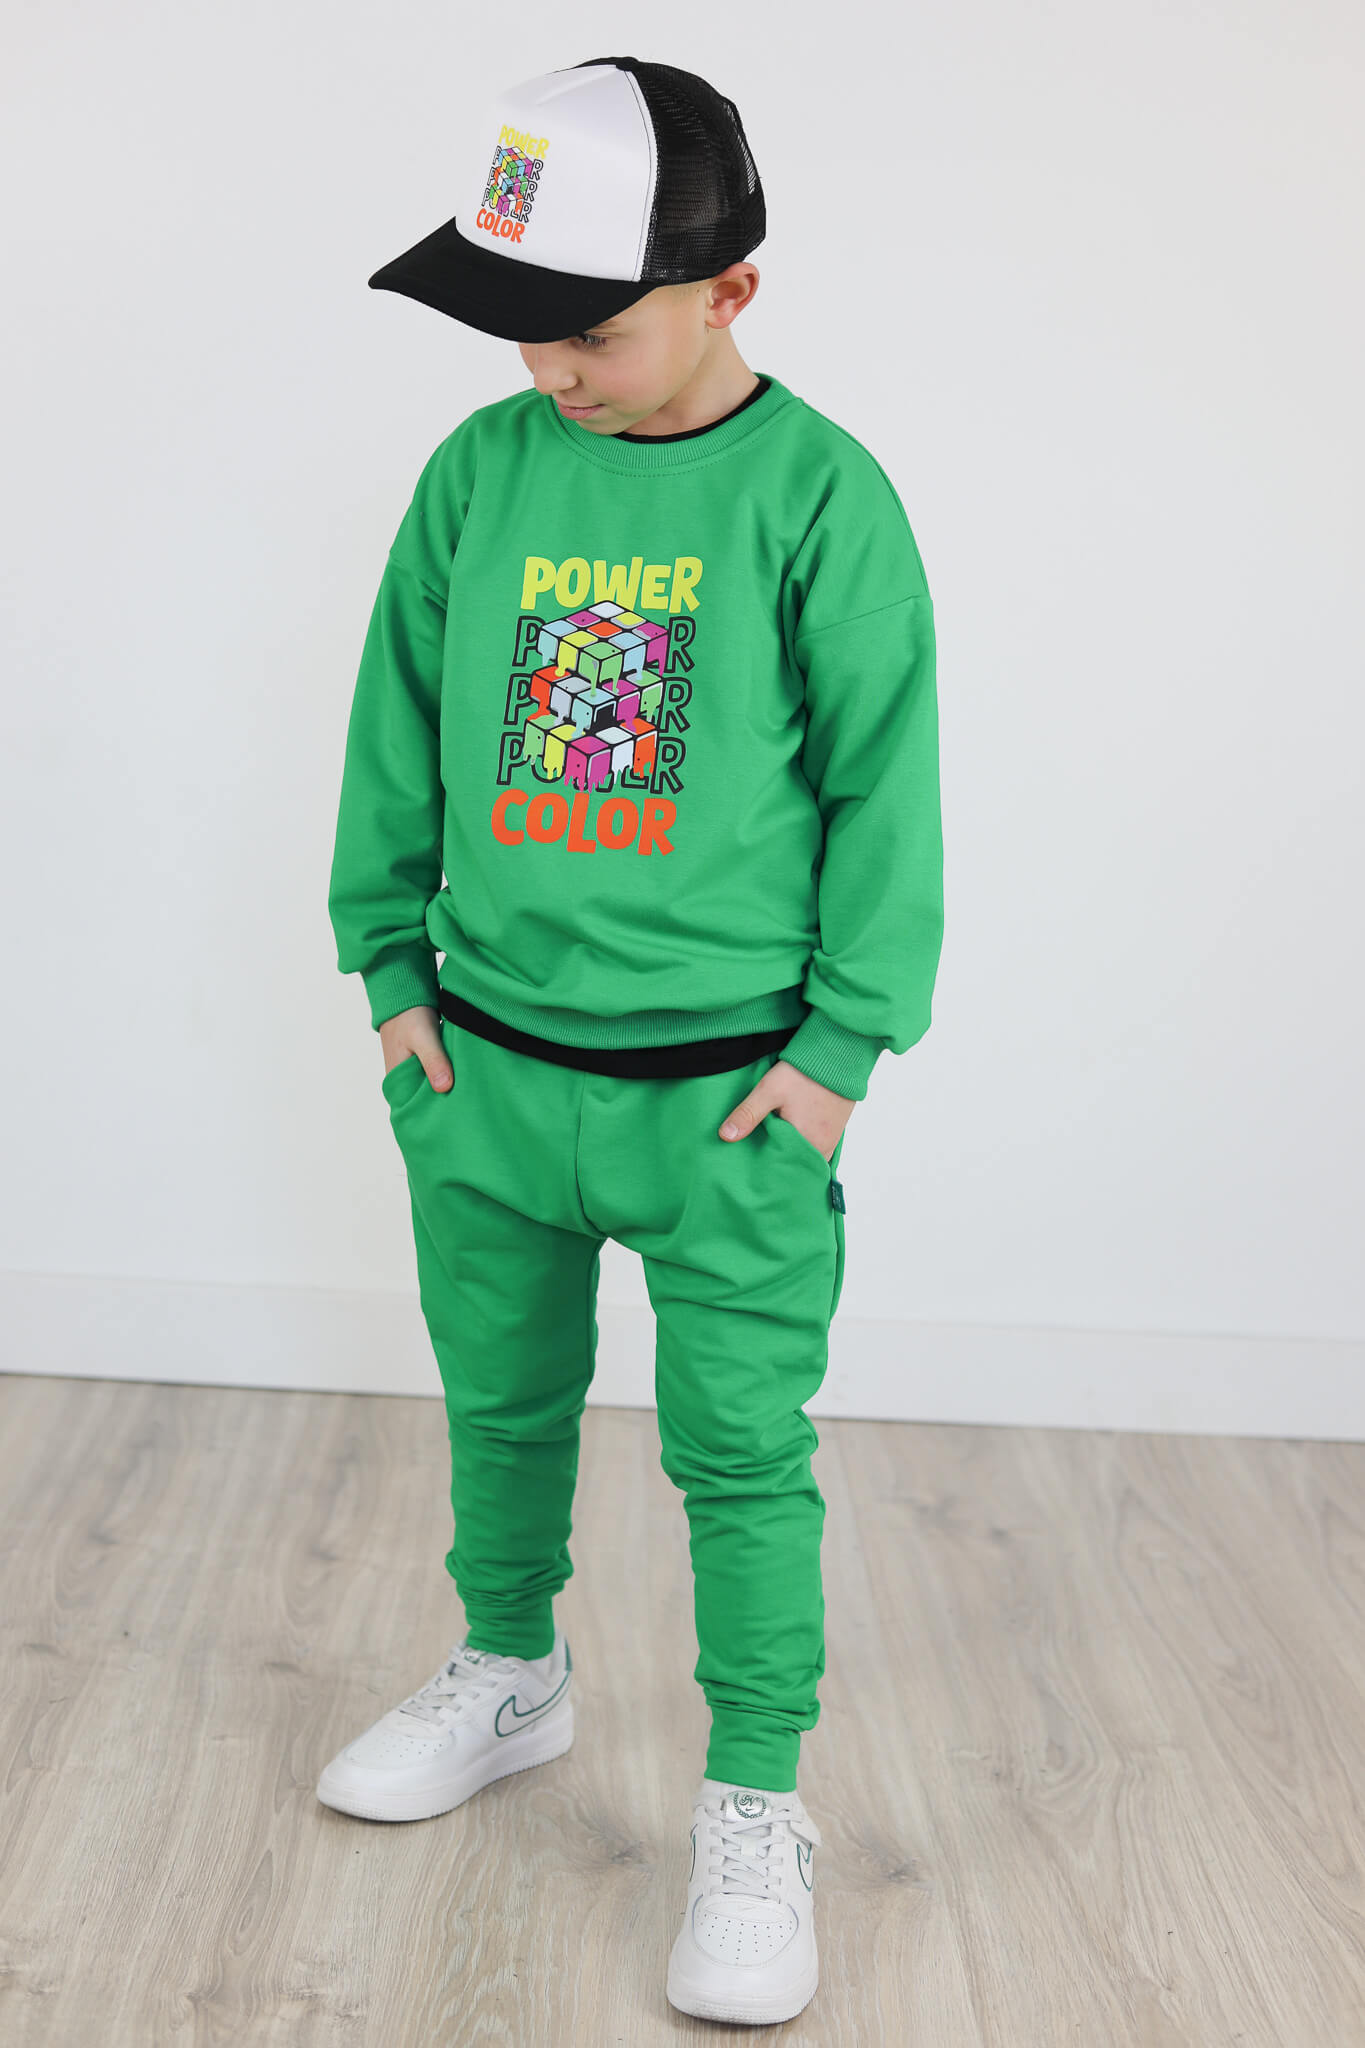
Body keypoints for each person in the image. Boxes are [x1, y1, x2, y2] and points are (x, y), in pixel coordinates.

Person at [318, 54, 943, 2028]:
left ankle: (751, 1798)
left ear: (729, 289)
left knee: (739, 1452)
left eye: (587, 330)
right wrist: (388, 974)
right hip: (484, 1069)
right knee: (498, 1402)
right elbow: (394, 720)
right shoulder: (478, 476)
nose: (551, 371)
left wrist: (838, 1053)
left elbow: (887, 789)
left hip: (731, 1100)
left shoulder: (818, 498)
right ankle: (509, 1669)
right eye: (521, 331)